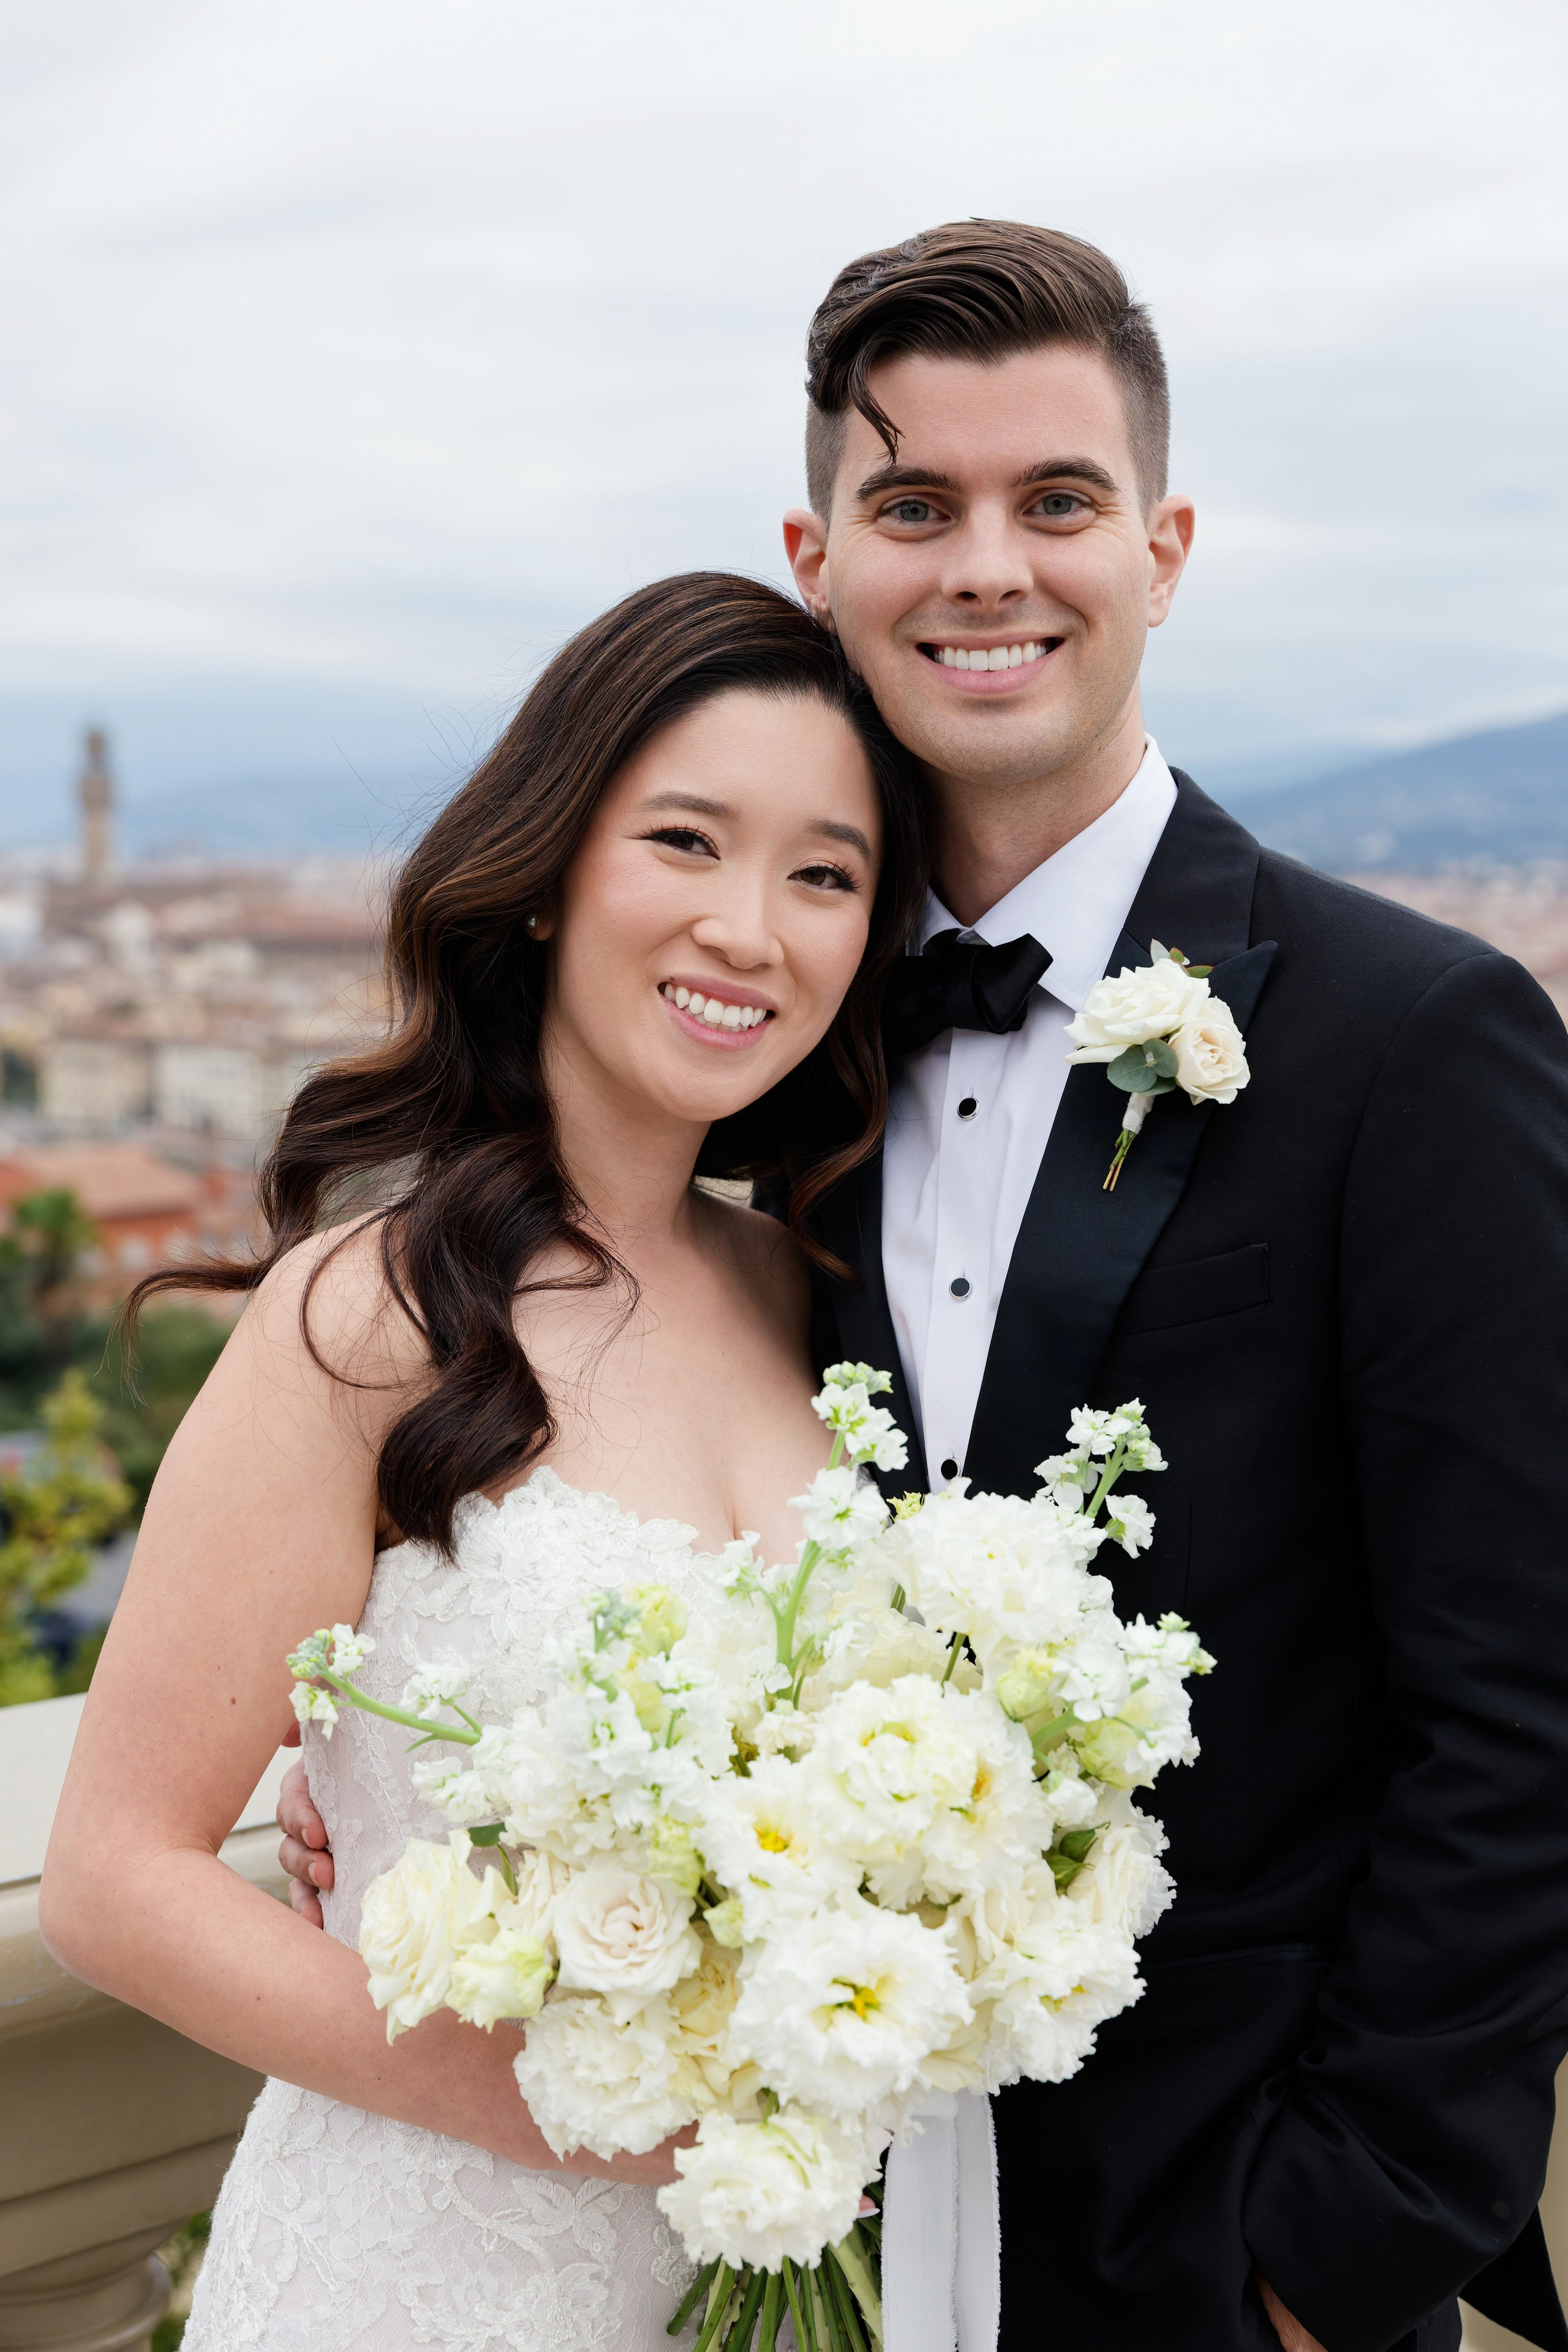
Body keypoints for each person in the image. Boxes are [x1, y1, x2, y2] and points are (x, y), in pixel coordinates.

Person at [280, 221, 1568, 2352]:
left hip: (1206, 2233)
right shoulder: (774, 1037)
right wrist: (417, 1823)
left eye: (1055, 502)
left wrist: (1330, 2257)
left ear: (1162, 548)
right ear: (821, 556)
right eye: (915, 507)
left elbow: (1525, 1703)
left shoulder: (1411, 1039)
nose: (988, 566)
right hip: (798, 2215)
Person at [39, 571, 927, 2350]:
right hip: (421, 2277)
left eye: (824, 874)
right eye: (687, 841)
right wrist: (570, 2110)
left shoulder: (827, 1302)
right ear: (547, 874)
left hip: (782, 2267)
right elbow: (111, 1882)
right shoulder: (369, 1317)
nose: (751, 929)